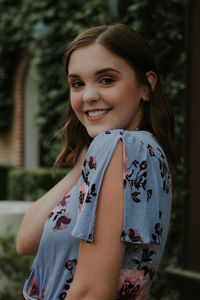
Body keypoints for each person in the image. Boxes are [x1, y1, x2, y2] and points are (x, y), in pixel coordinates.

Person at [17, 24, 176, 300]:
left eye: (106, 80)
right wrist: (81, 167)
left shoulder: (119, 145)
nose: (88, 96)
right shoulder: (148, 153)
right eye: (77, 83)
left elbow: (91, 292)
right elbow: (27, 240)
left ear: (147, 86)